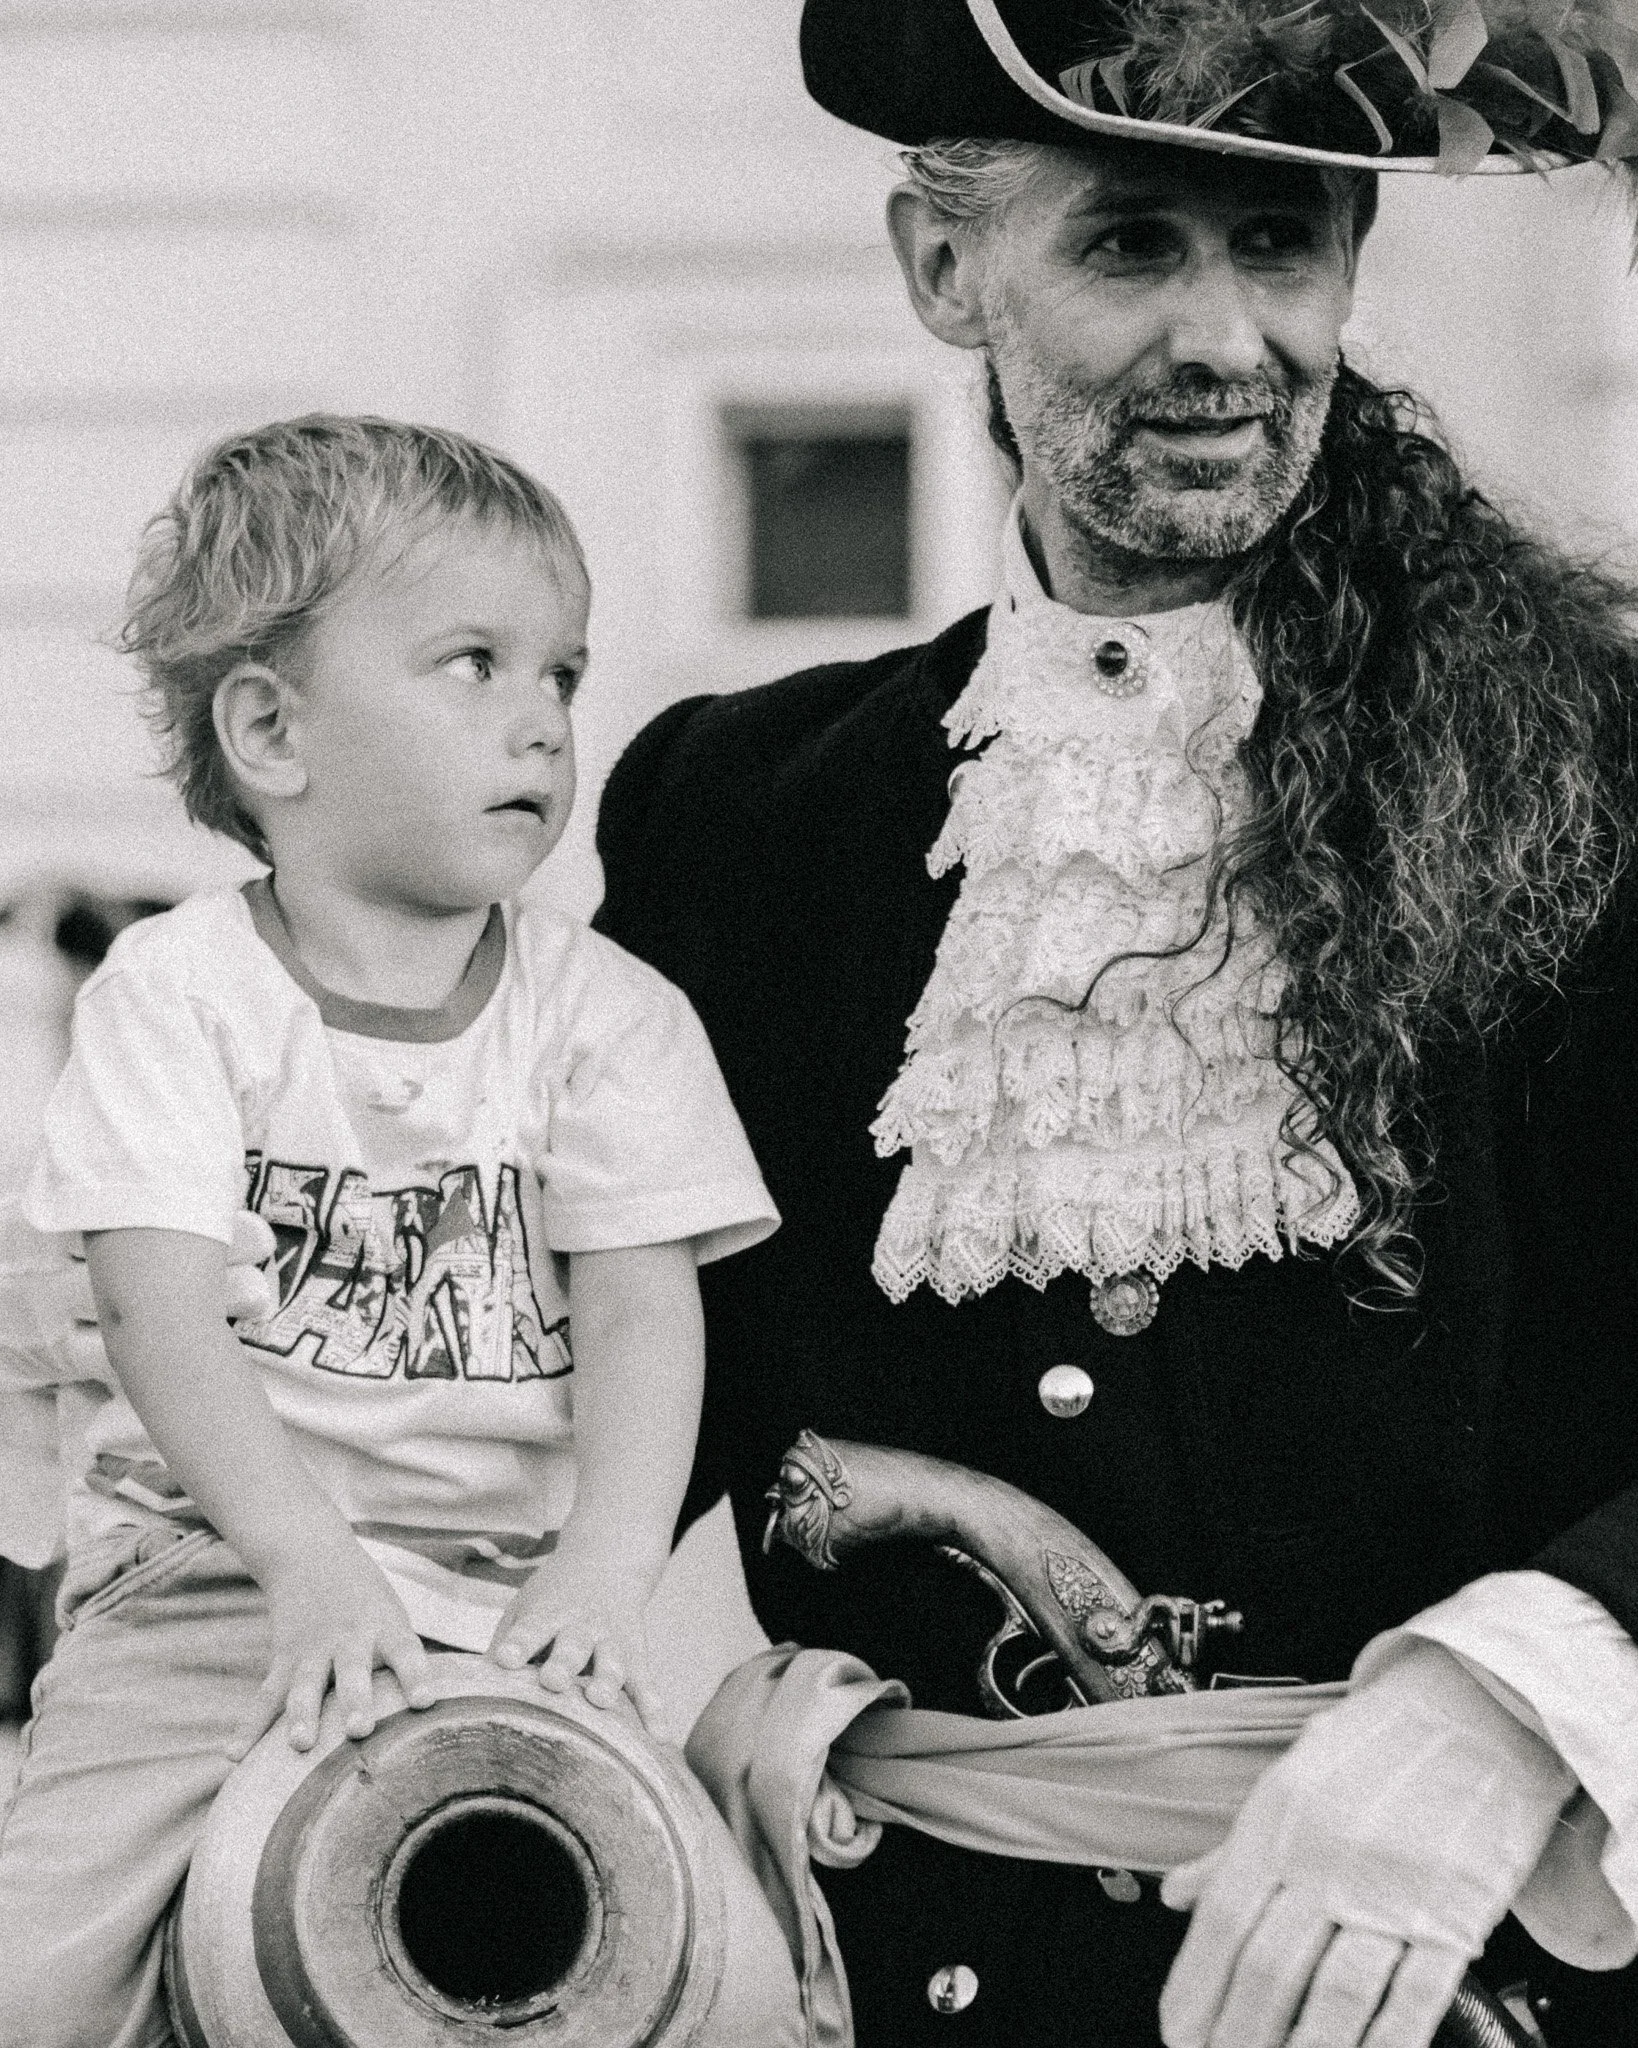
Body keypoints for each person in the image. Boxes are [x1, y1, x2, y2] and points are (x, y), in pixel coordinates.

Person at [592, 4, 1638, 2045]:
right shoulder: (738, 815)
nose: (1231, 337)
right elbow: (603, 1388)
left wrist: (1524, 1692)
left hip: (1457, 1975)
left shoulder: (1601, 769)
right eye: (1133, 245)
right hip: (897, 1984)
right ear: (941, 265)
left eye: (1285, 246)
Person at [0, 414, 778, 2047]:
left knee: (732, 1987)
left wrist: (608, 1566)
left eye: (562, 675)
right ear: (274, 731)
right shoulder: (182, 997)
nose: (542, 727)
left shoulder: (607, 1018)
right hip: (217, 1584)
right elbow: (157, 1305)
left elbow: (644, 1311)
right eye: (472, 665)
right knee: (41, 1974)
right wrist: (303, 1560)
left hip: (512, 1598)